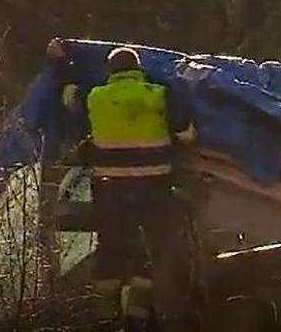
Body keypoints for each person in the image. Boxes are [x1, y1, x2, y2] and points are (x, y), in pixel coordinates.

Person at [49, 41, 192, 330]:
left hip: (109, 186)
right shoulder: (159, 94)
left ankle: (105, 315)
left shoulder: (95, 96)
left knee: (111, 248)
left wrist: (62, 62)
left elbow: (67, 95)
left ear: (110, 71)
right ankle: (136, 316)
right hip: (154, 185)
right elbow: (186, 134)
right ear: (138, 70)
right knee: (152, 247)